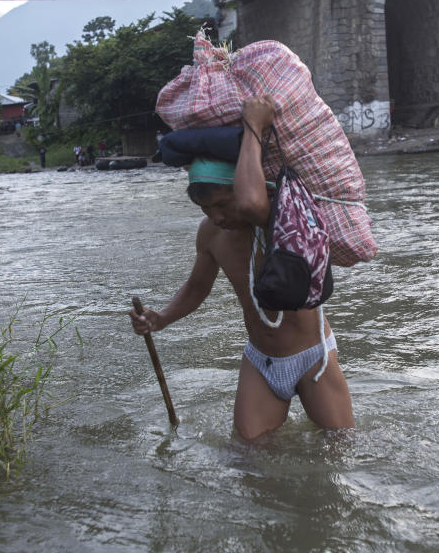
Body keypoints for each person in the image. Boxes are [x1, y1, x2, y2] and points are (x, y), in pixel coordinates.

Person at [128, 96, 354, 441]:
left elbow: (250, 202)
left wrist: (253, 125)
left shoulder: (277, 220)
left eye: (222, 204)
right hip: (262, 362)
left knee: (341, 449)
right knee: (250, 457)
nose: (217, 216)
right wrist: (162, 318)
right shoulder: (211, 235)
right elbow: (196, 287)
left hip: (313, 358)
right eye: (206, 209)